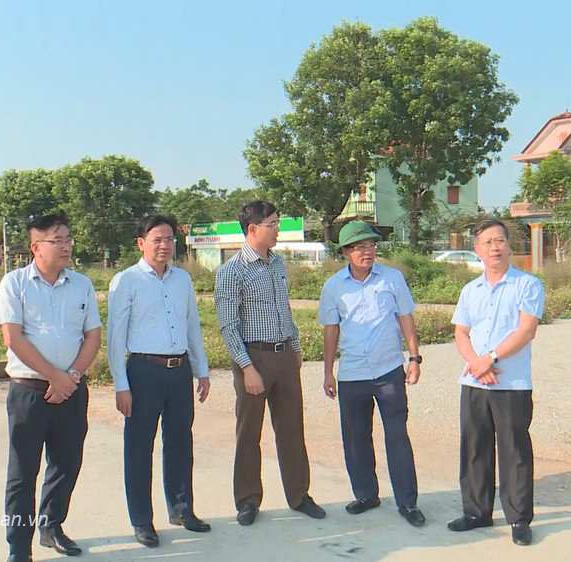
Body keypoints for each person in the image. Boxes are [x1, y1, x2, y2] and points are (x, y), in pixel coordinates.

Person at [0, 212, 102, 562]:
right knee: (22, 472)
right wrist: (54, 376)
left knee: (66, 463)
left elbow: (93, 336)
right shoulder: (14, 283)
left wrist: (71, 377)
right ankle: (18, 547)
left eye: (68, 239)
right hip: (29, 391)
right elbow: (13, 337)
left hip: (71, 390)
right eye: (57, 240)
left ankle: (52, 526)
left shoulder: (82, 284)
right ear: (35, 246)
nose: (66, 246)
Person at [214, 200, 324, 526]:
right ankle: (248, 499)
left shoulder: (277, 263)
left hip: (284, 354)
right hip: (254, 358)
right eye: (272, 224)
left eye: (278, 223)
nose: (277, 230)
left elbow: (284, 309)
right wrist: (247, 368)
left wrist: (296, 348)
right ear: (252, 229)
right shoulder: (232, 271)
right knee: (249, 432)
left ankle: (299, 495)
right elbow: (228, 326)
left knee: (291, 429)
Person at [108, 214, 212, 548]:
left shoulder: (182, 280)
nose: (164, 245)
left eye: (169, 239)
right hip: (143, 371)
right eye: (157, 240)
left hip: (178, 370)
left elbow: (192, 326)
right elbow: (115, 337)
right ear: (141, 243)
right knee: (139, 447)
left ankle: (182, 509)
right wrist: (121, 385)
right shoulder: (126, 281)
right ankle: (142, 520)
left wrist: (202, 369)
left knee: (180, 442)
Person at [318, 221, 426, 527]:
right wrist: (328, 372)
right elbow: (331, 331)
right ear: (345, 252)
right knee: (356, 438)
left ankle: (407, 502)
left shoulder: (392, 279)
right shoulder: (333, 287)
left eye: (371, 245)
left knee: (397, 436)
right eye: (359, 247)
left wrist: (414, 358)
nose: (367, 252)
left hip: (389, 371)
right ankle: (366, 494)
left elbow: (406, 318)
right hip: (352, 374)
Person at [448, 218, 544, 547]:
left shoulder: (527, 285)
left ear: (508, 245)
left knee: (514, 450)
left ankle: (518, 518)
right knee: (474, 447)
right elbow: (461, 332)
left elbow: (526, 331)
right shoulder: (470, 290)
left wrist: (490, 358)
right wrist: (477, 363)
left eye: (499, 240)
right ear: (477, 250)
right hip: (475, 382)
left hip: (511, 384)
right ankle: (476, 512)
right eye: (487, 242)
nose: (494, 247)